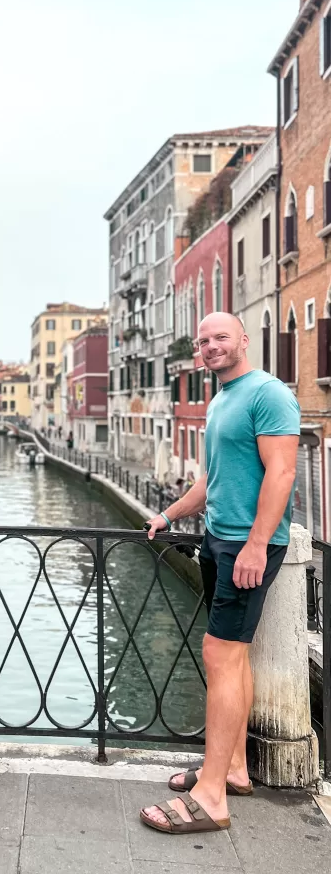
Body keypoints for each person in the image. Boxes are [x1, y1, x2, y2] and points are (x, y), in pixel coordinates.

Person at [140, 312, 299, 836]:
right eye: (203, 340)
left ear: (243, 341)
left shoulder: (268, 394)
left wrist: (256, 545)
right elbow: (212, 480)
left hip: (245, 546)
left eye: (221, 337)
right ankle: (232, 769)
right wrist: (167, 515)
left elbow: (282, 471)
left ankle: (211, 798)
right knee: (235, 655)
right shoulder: (220, 400)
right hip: (218, 540)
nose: (210, 346)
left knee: (220, 654)